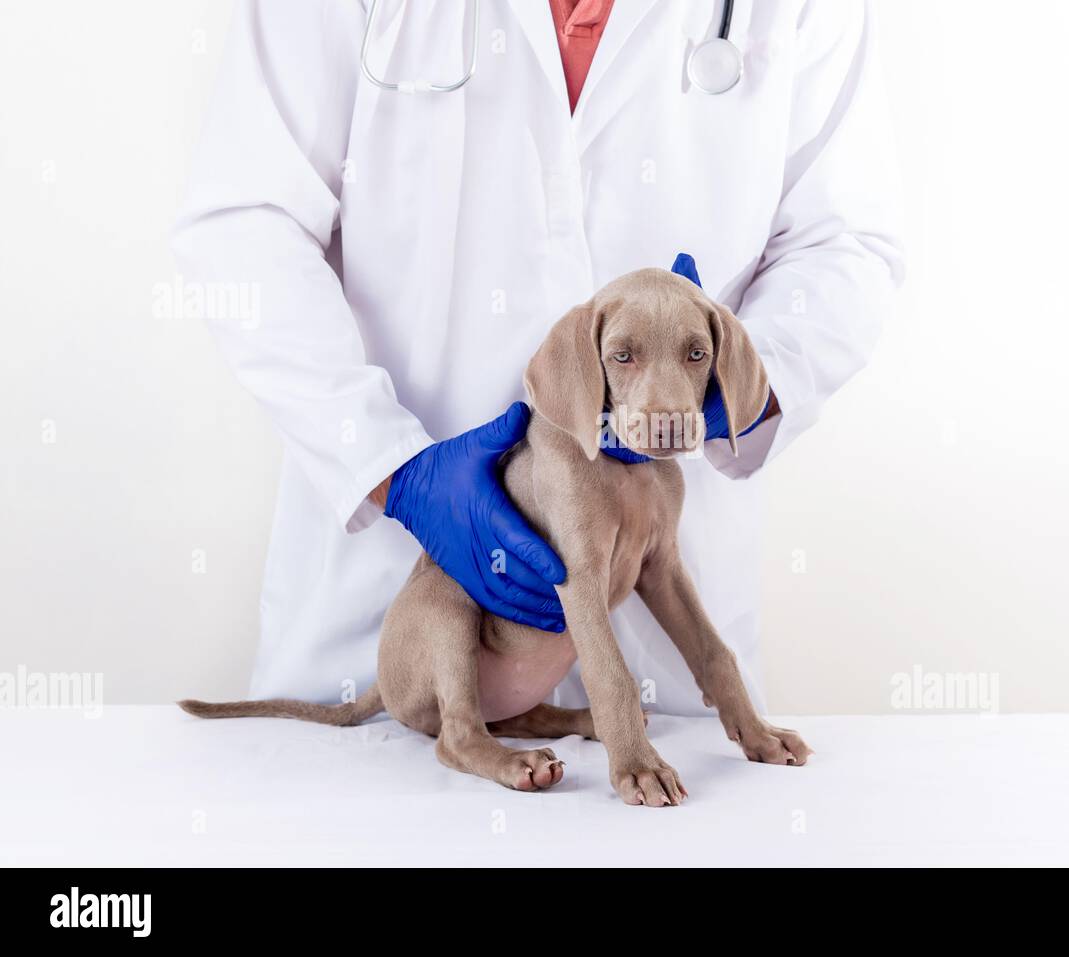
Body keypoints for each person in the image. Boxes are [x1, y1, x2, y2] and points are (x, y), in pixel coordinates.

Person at [172, 0, 903, 715]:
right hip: (378, 626)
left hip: (664, 672)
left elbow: (844, 243)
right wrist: (392, 469)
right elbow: (245, 223)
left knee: (680, 821)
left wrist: (746, 378)